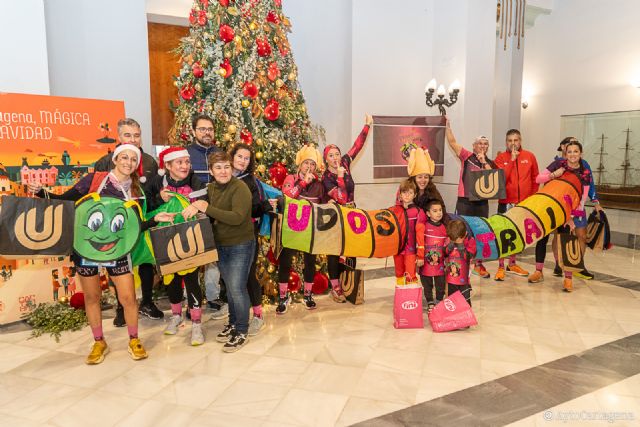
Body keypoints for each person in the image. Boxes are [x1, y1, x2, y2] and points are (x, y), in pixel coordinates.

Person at [28, 144, 176, 364]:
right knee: (92, 296)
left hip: (118, 251)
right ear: (115, 159)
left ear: (137, 165)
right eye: (124, 157)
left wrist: (155, 219)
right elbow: (65, 201)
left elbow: (134, 227)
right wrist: (41, 192)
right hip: (85, 248)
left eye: (133, 159)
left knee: (127, 298)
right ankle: (99, 342)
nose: (128, 162)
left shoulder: (137, 191)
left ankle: (134, 339)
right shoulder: (94, 181)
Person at [184, 151, 255, 352]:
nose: (223, 171)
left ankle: (241, 330)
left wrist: (207, 208)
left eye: (226, 167)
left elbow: (237, 218)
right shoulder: (212, 188)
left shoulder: (240, 188)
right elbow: (210, 216)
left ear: (231, 168)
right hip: (221, 245)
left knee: (237, 289)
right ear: (211, 171)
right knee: (230, 289)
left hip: (241, 244)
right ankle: (233, 323)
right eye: (218, 167)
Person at [95, 118, 163, 325]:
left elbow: (152, 194)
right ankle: (121, 307)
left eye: (136, 135)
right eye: (127, 135)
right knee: (117, 266)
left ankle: (148, 303)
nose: (133, 140)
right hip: (116, 228)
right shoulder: (105, 162)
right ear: (118, 136)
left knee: (145, 262)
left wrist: (160, 203)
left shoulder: (151, 162)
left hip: (144, 220)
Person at [147, 147, 208, 346]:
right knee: (170, 278)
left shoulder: (194, 180)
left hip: (189, 237)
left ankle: (197, 322)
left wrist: (196, 204)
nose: (184, 166)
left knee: (191, 280)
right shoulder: (158, 182)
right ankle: (176, 315)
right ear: (168, 166)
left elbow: (207, 199)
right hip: (165, 238)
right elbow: (146, 207)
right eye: (179, 162)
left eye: (186, 162)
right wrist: (159, 199)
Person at [529, 137, 603, 283]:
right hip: (551, 207)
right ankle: (539, 271)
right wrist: (554, 174)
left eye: (576, 151)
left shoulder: (585, 171)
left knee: (568, 240)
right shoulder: (558, 164)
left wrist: (572, 215)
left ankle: (569, 275)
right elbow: (538, 179)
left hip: (571, 211)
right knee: (543, 238)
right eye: (570, 151)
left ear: (581, 153)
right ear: (565, 151)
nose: (573, 154)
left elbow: (583, 196)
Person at [322, 114, 373, 302]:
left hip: (352, 213)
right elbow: (340, 197)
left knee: (352, 248)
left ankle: (349, 284)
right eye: (331, 155)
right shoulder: (326, 177)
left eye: (337, 153)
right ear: (326, 159)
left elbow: (357, 146)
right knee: (335, 251)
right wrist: (341, 177)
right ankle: (335, 286)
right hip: (337, 216)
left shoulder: (345, 162)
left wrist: (367, 125)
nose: (335, 158)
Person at [230, 143, 275, 334]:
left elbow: (256, 208)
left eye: (247, 158)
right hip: (227, 234)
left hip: (248, 233)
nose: (242, 161)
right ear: (232, 157)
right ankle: (236, 316)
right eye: (240, 156)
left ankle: (257, 315)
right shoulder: (223, 177)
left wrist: (265, 205)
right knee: (231, 277)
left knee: (248, 274)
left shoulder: (251, 181)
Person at [445, 119, 496, 279]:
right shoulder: (466, 156)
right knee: (463, 230)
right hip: (465, 200)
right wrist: (447, 126)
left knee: (481, 232)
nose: (482, 146)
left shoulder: (489, 162)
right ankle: (460, 259)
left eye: (485, 144)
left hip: (481, 202)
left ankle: (479, 264)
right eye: (479, 144)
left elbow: (493, 176)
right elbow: (452, 143)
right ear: (474, 146)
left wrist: (483, 162)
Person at [185, 114, 226, 318]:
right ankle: (191, 300)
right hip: (193, 213)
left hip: (217, 212)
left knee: (213, 256)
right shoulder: (186, 153)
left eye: (210, 129)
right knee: (191, 256)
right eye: (202, 129)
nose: (207, 132)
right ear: (194, 132)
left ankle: (212, 296)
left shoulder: (220, 153)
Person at [278, 145, 325, 314]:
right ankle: (283, 296)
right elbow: (287, 195)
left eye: (312, 164)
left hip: (309, 230)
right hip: (291, 228)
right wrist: (304, 182)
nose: (309, 167)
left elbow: (324, 205)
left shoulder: (319, 185)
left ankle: (308, 294)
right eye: (306, 163)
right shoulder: (290, 178)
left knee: (310, 263)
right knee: (285, 262)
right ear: (300, 164)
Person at [493, 129, 539, 281]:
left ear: (520, 141)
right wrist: (512, 160)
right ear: (506, 142)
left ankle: (512, 264)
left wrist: (531, 200)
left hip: (523, 204)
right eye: (510, 141)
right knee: (503, 234)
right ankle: (500, 267)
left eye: (516, 140)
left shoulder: (529, 156)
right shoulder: (500, 158)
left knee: (518, 234)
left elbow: (535, 179)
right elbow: (501, 181)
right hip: (505, 203)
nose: (513, 143)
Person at [393, 180, 426, 285]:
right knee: (399, 274)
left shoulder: (418, 212)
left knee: (410, 275)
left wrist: (420, 255)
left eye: (410, 192)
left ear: (415, 195)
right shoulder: (395, 211)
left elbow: (420, 236)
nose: (407, 195)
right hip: (397, 250)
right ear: (400, 194)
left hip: (410, 251)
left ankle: (411, 299)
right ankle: (402, 298)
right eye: (404, 192)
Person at [417, 199, 447, 313]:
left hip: (439, 264)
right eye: (435, 211)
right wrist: (418, 258)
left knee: (440, 284)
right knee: (427, 283)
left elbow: (447, 244)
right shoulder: (424, 227)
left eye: (440, 210)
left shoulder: (444, 227)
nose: (439, 213)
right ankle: (430, 301)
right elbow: (419, 243)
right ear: (428, 214)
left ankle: (439, 300)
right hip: (425, 263)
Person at [401, 145, 445, 213]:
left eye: (426, 177)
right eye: (420, 177)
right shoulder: (406, 188)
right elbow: (399, 209)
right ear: (414, 178)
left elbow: (441, 209)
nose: (423, 180)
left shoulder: (432, 190)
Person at [444, 219, 477, 306]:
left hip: (464, 279)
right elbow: (445, 253)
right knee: (452, 299)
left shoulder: (470, 240)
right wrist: (450, 245)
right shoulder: (450, 239)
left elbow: (469, 256)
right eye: (451, 238)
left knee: (465, 301)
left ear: (465, 234)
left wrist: (460, 245)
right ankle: (454, 315)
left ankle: (466, 316)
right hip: (451, 278)